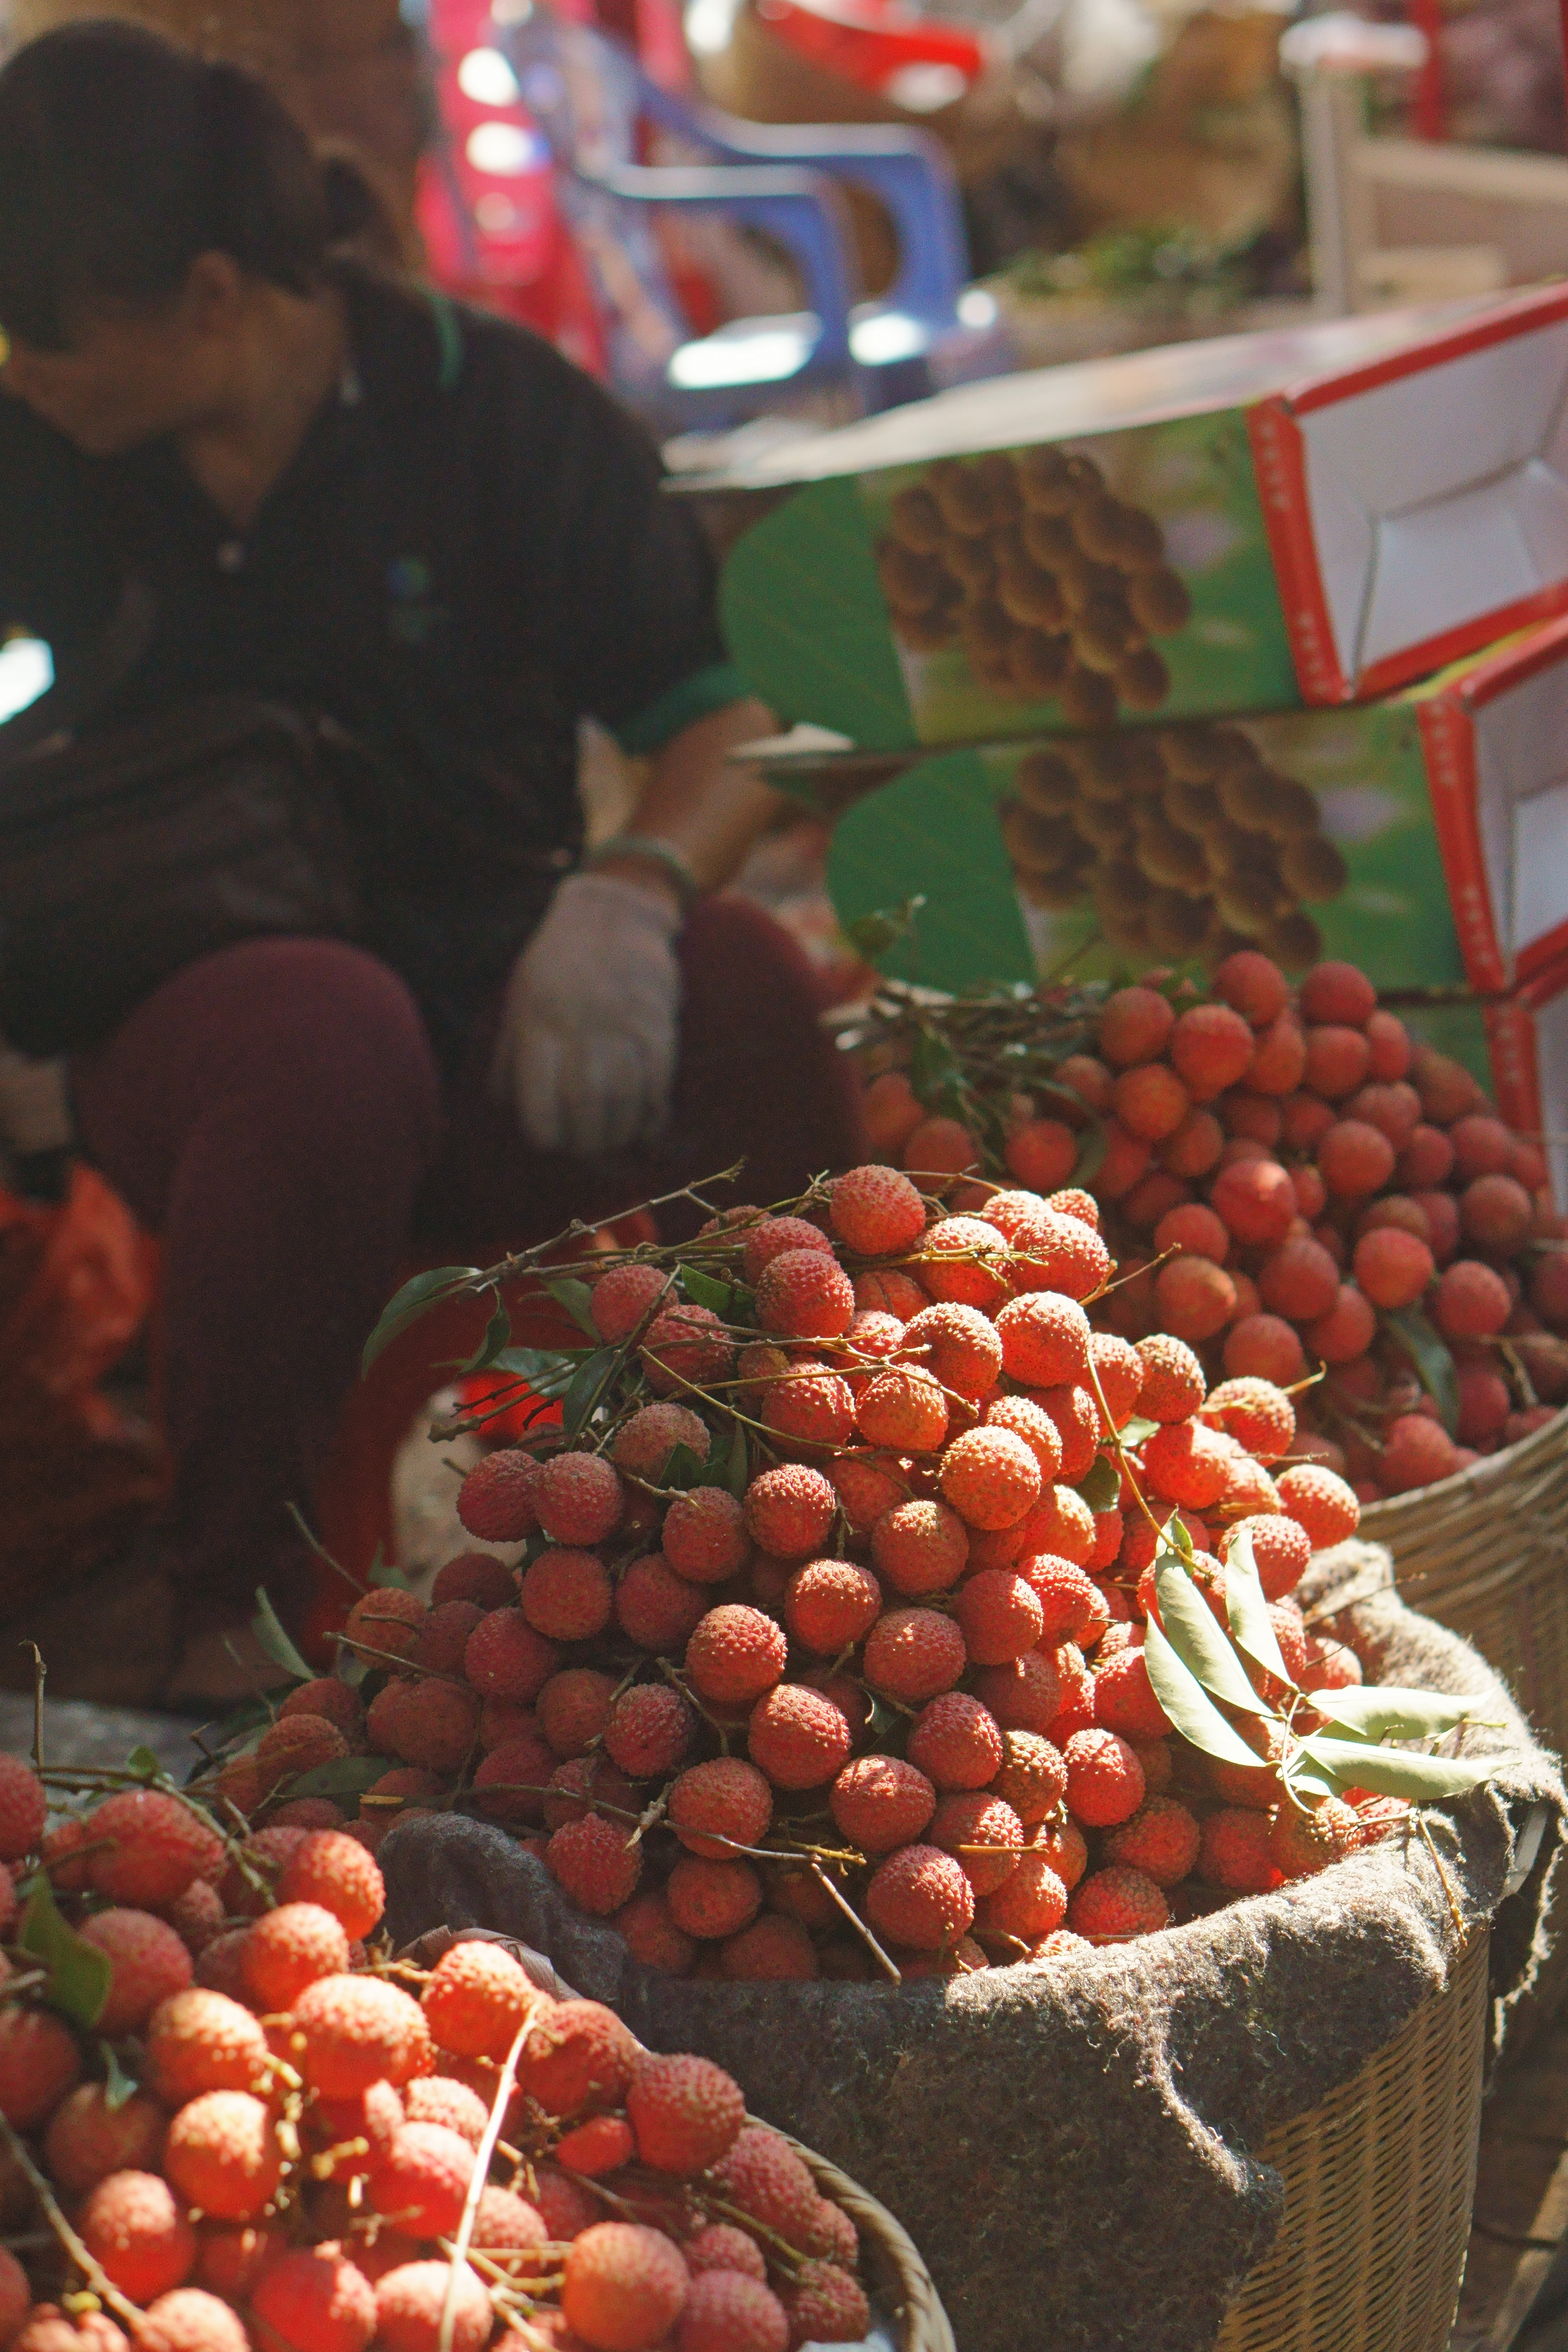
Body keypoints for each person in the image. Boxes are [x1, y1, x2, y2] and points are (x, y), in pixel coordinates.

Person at [0, 20, 865, 1706]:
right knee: (322, 1031)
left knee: (749, 980)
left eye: (49, 335)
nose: (23, 366)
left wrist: (630, 894)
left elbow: (721, 720)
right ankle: (228, 1608)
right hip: (214, 1047)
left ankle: (848, 1475)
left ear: (207, 299)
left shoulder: (502, 420)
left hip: (507, 1007)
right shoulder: (40, 458)